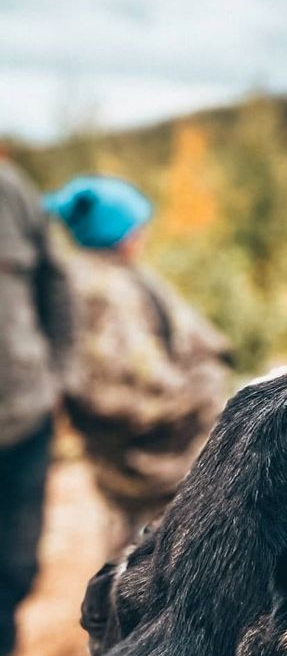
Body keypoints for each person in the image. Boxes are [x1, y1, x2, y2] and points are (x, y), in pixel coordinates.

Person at [44, 175, 232, 553]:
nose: (143, 235)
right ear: (120, 234)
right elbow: (129, 392)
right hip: (155, 462)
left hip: (139, 460)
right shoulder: (103, 292)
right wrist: (205, 392)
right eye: (138, 227)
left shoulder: (102, 278)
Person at [0, 157, 74, 656]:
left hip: (21, 418)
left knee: (13, 570)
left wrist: (56, 376)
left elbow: (54, 285)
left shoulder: (11, 188)